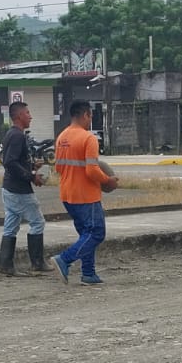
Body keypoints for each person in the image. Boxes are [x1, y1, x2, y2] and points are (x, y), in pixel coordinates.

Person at [52, 100, 118, 286]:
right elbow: (91, 170)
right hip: (86, 196)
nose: (90, 120)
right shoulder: (88, 138)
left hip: (67, 194)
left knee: (85, 235)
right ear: (86, 115)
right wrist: (108, 180)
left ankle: (88, 273)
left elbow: (58, 168)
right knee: (96, 233)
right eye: (90, 116)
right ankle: (64, 260)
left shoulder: (62, 137)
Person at [0, 101, 51, 276]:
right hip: (19, 190)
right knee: (37, 222)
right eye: (27, 113)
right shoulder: (17, 136)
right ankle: (37, 263)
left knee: (11, 225)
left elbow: (13, 161)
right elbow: (10, 162)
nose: (30, 116)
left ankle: (6, 265)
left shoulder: (12, 134)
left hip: (9, 187)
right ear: (20, 116)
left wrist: (32, 166)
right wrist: (31, 176)